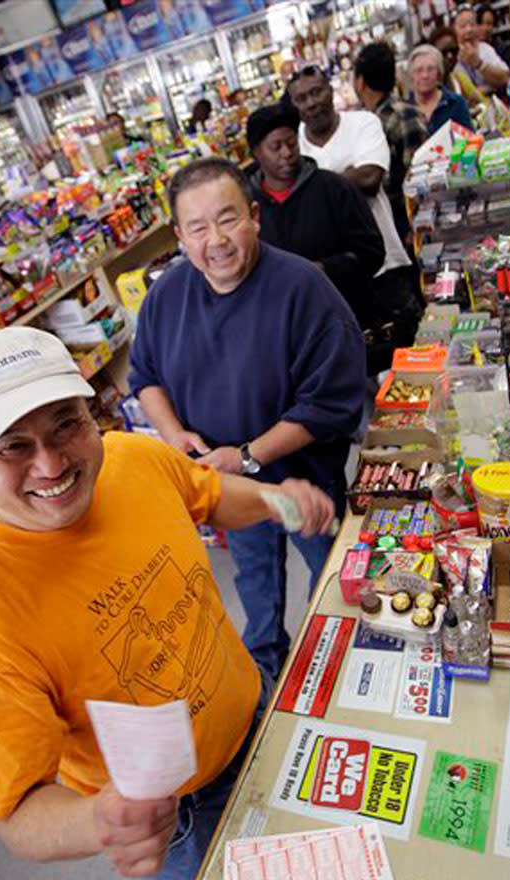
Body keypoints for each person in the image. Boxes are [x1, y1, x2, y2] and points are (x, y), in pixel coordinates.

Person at [0, 325, 335, 880]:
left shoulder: (129, 458)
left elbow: (206, 493)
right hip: (183, 821)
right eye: (11, 446)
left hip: (261, 715)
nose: (50, 465)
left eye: (66, 425)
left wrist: (281, 502)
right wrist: (99, 819)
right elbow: (15, 810)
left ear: (91, 411)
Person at [129, 158, 366, 680]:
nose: (215, 240)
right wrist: (175, 436)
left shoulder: (303, 288)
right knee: (255, 582)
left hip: (300, 482)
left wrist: (247, 456)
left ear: (254, 215)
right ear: (180, 236)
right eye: (198, 227)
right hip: (227, 487)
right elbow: (144, 376)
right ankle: (264, 674)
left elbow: (330, 402)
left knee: (332, 575)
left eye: (228, 218)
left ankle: (342, 670)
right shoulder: (166, 296)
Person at [288, 66, 422, 370]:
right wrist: (342, 178)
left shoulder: (363, 123)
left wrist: (314, 191)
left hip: (384, 267)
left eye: (316, 92)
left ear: (331, 91)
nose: (311, 103)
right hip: (332, 282)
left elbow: (370, 178)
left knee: (409, 365)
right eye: (301, 98)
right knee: (352, 371)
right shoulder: (292, 145)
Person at [246, 102, 385, 336]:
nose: (287, 153)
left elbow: (373, 252)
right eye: (276, 147)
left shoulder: (333, 188)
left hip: (344, 321)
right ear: (257, 153)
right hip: (283, 332)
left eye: (291, 143)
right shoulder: (247, 207)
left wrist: (325, 268)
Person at [353, 42, 428, 244]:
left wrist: (417, 227)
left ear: (360, 82)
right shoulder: (367, 120)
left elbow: (420, 176)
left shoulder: (401, 116)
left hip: (405, 223)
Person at [408, 44, 473, 133]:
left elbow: (470, 139)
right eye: (419, 70)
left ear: (439, 73)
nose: (425, 75)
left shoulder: (456, 103)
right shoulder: (404, 109)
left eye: (430, 69)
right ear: (412, 76)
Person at [453, 3, 509, 94]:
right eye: (463, 26)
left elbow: (505, 77)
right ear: (454, 29)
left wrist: (479, 64)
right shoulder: (451, 57)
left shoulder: (486, 49)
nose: (469, 30)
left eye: (472, 24)